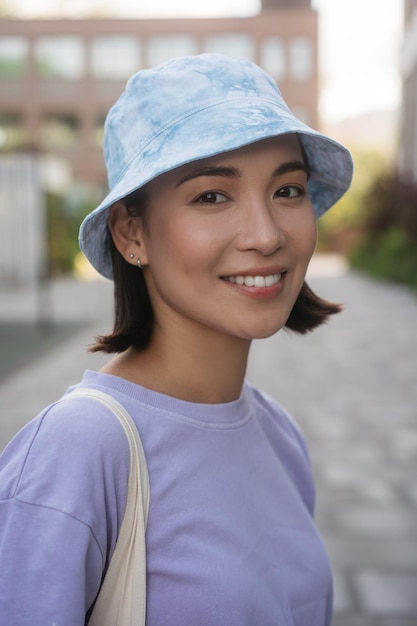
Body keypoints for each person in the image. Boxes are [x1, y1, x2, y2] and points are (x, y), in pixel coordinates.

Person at [0, 53, 353, 625]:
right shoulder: (78, 451)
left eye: (288, 190)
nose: (266, 236)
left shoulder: (278, 433)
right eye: (212, 196)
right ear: (131, 232)